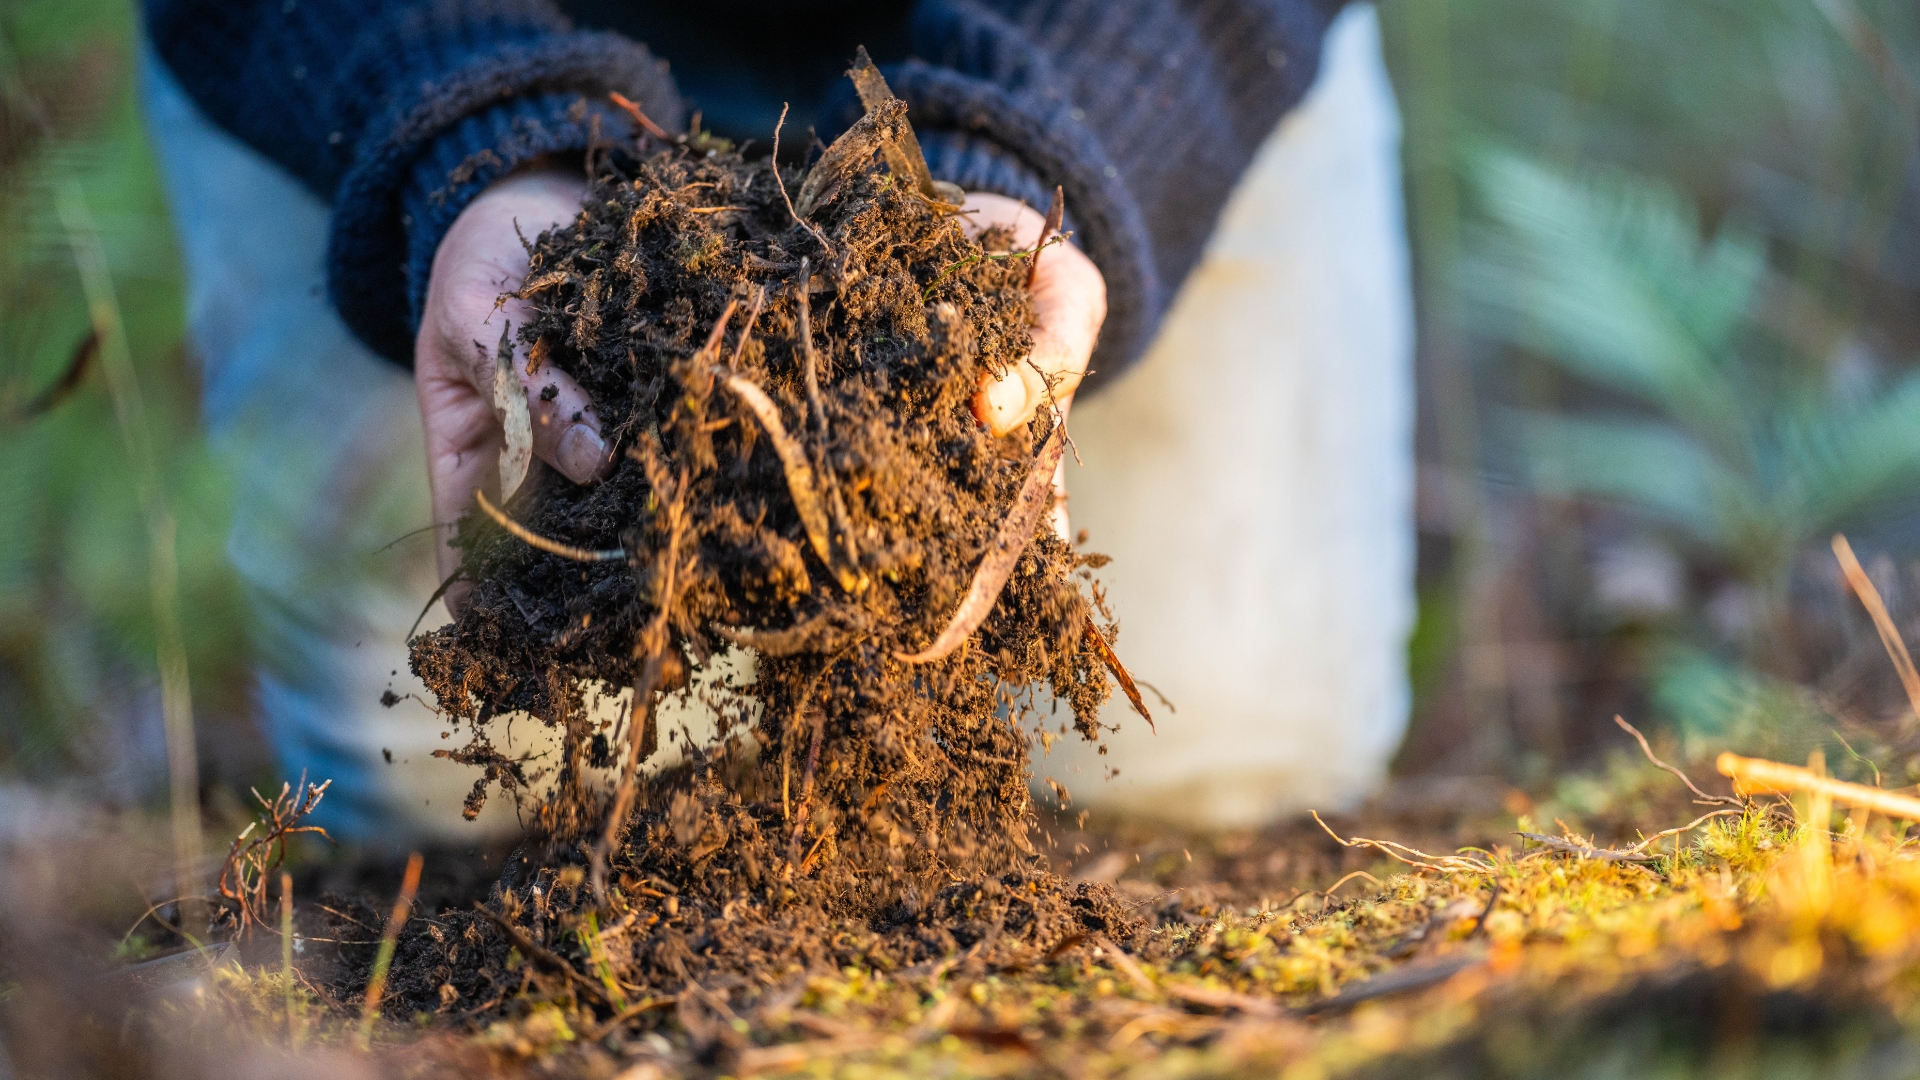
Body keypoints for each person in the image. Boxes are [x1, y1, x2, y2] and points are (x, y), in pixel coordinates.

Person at [141, 0, 1408, 841]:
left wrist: (1036, 147)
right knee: (456, 790)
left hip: (1110, 40)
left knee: (1221, 762)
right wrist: (471, 133)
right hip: (397, 46)